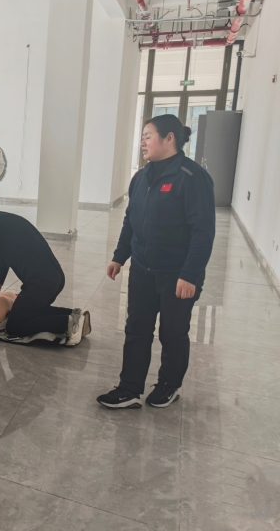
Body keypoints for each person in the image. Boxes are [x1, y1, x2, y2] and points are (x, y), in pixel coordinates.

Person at [97, 114, 215, 409]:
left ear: (169, 138)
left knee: (172, 331)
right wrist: (119, 256)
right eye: (142, 137)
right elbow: (131, 220)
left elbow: (203, 231)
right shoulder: (141, 177)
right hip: (142, 269)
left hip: (176, 273)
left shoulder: (192, 177)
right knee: (136, 329)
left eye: (147, 136)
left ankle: (168, 385)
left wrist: (190, 274)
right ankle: (129, 388)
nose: (142, 143)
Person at [0, 197, 89, 345]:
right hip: (55, 278)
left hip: (41, 283)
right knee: (30, 312)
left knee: (15, 325)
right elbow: (2, 261)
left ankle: (68, 324)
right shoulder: (4, 218)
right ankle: (74, 315)